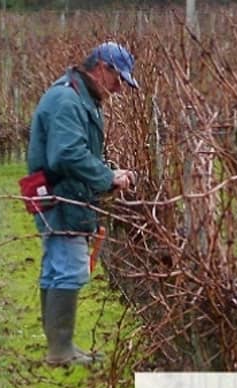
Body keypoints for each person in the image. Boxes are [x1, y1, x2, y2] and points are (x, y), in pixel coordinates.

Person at [25, 41, 138, 365]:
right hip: (63, 198)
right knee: (69, 271)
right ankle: (61, 352)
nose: (119, 89)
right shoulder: (67, 99)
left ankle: (59, 348)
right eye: (118, 79)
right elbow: (67, 153)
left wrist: (105, 174)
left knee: (55, 270)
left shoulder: (76, 96)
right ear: (101, 68)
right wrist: (107, 177)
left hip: (64, 194)